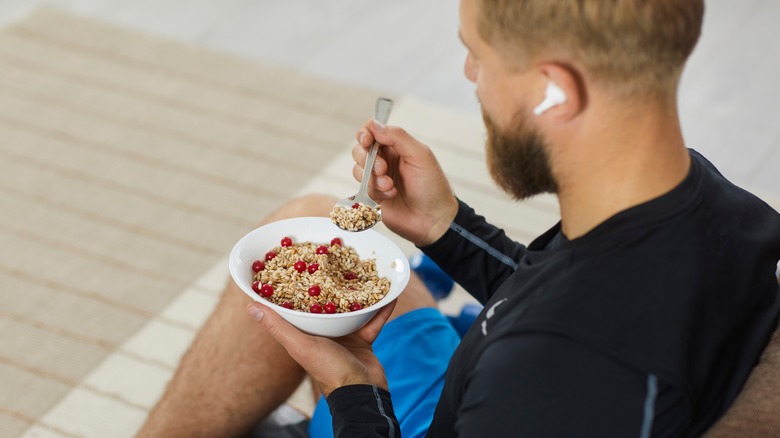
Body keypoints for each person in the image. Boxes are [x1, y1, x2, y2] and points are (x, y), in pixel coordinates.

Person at [139, 0, 780, 436]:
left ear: (555, 88)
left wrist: (356, 393)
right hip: (485, 383)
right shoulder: (713, 207)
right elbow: (557, 292)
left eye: (478, 53)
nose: (470, 75)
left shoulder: (548, 377)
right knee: (310, 220)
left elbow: (558, 346)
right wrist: (448, 226)